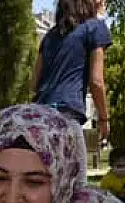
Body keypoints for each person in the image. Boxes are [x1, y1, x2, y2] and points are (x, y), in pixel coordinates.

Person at [34, 0, 111, 141]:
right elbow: (96, 82)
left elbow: (34, 83)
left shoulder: (50, 36)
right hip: (67, 114)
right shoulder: (96, 28)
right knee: (74, 163)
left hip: (38, 115)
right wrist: (103, 119)